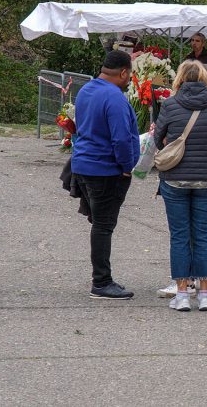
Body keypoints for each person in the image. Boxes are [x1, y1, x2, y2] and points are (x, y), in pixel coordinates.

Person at [153, 60, 207, 312]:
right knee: (204, 235)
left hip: (175, 178)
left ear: (180, 79)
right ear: (205, 79)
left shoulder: (170, 105)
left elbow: (157, 137)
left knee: (180, 236)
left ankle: (182, 294)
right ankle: (205, 294)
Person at [70, 50, 141, 299]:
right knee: (103, 226)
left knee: (99, 223)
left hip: (83, 165)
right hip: (105, 169)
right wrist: (126, 166)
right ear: (123, 72)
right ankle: (101, 282)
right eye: (129, 74)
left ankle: (103, 279)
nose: (130, 79)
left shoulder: (87, 90)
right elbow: (121, 138)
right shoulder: (115, 98)